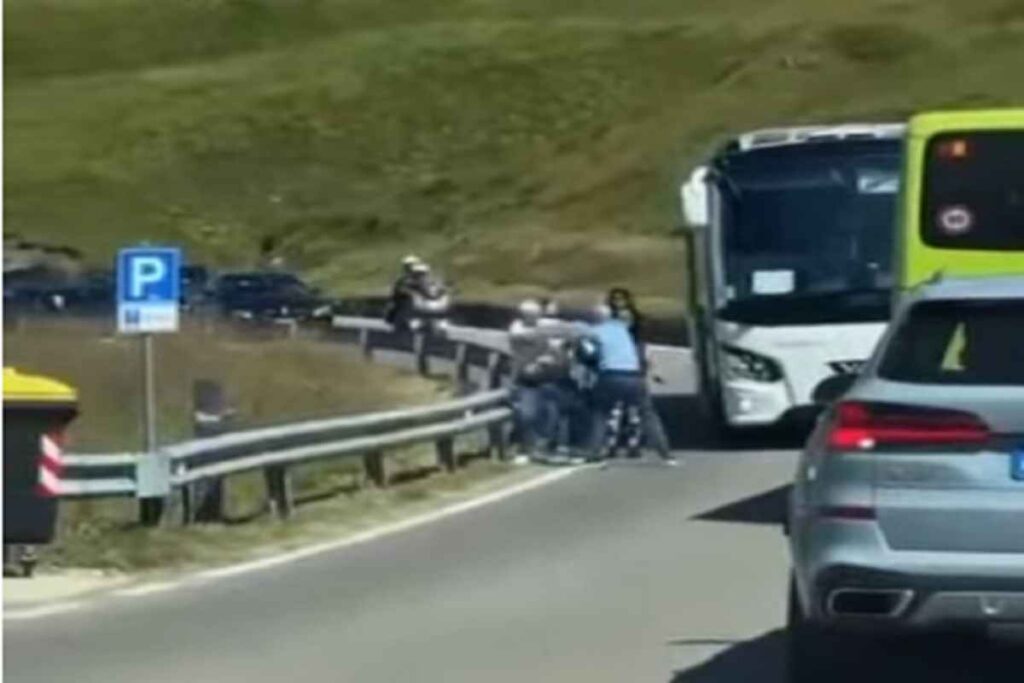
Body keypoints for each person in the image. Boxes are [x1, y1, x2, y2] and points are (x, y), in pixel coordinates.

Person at [589, 303, 678, 465]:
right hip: (633, 376)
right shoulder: (623, 329)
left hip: (610, 374)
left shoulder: (594, 331)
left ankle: (595, 452)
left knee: (600, 414)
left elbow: (589, 353)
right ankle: (666, 453)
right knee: (648, 415)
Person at [508, 299, 586, 463]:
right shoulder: (517, 329)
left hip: (548, 378)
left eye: (535, 315)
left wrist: (563, 337)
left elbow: (576, 333)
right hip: (527, 379)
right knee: (527, 415)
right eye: (529, 315)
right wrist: (556, 337)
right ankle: (525, 448)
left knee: (552, 413)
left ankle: (547, 448)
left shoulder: (543, 326)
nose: (533, 318)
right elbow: (527, 336)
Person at [385, 255, 429, 330]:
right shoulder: (404, 279)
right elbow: (398, 291)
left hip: (410, 312)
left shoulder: (413, 279)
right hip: (404, 311)